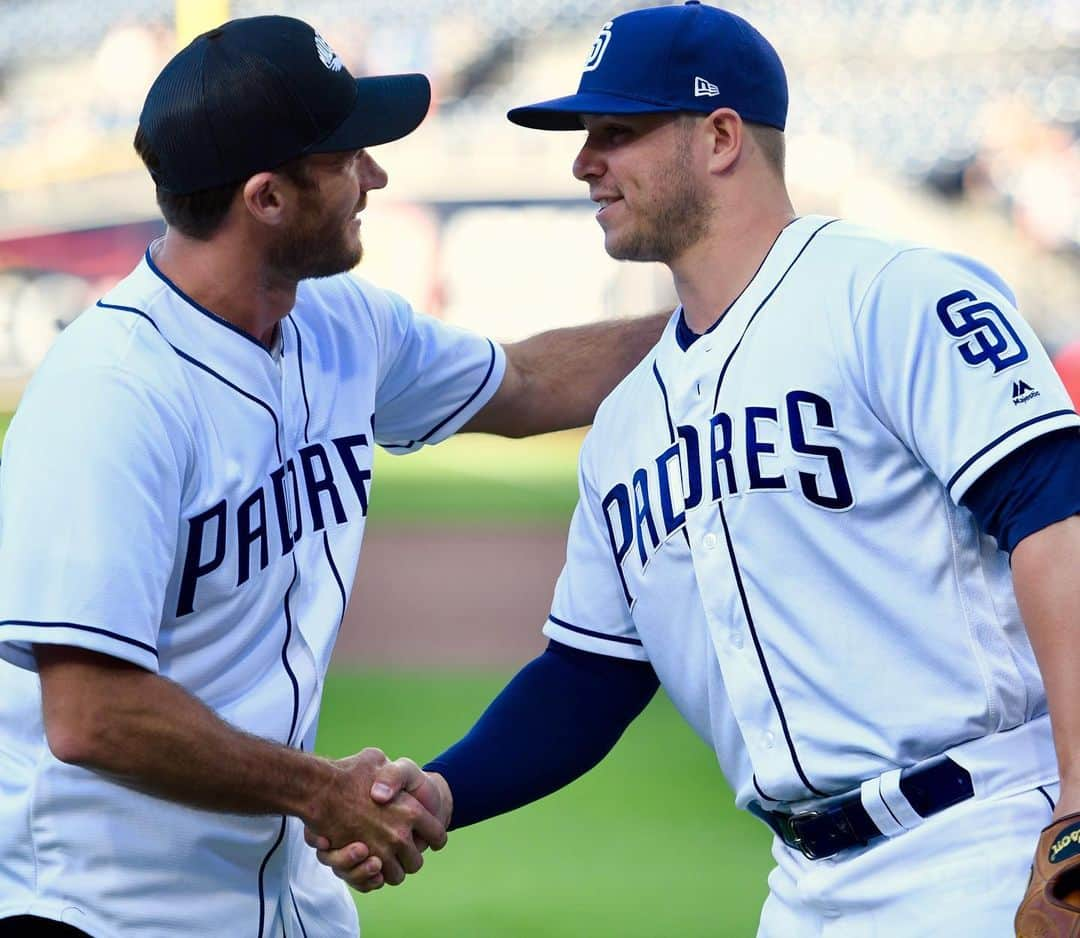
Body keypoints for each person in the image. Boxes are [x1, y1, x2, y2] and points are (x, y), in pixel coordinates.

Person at [315, 3, 1080, 934]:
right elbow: (588, 677)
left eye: (618, 131)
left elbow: (1057, 517)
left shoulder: (891, 295)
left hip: (984, 836)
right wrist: (442, 790)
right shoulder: (631, 416)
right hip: (804, 888)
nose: (584, 161)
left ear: (721, 137)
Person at [0, 15, 667, 938]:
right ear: (268, 197)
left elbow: (524, 383)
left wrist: (731, 304)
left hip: (278, 903)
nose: (377, 176)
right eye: (350, 155)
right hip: (99, 911)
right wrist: (321, 791)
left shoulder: (341, 325)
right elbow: (89, 714)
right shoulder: (111, 394)